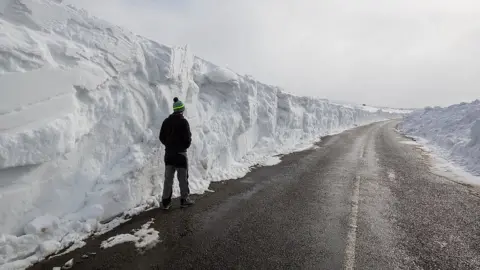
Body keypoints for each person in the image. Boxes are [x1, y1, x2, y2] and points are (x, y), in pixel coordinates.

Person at [159, 97, 194, 209]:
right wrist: (182, 147)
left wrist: (168, 146)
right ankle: (184, 200)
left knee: (168, 179)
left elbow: (161, 137)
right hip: (180, 155)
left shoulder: (166, 121)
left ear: (174, 110)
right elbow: (188, 139)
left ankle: (165, 202)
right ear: (182, 110)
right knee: (182, 178)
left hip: (169, 154)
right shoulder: (184, 122)